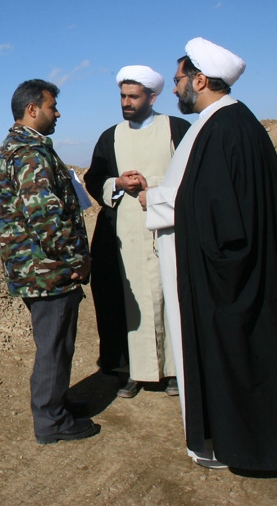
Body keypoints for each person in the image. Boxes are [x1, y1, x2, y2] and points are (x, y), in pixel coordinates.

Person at [145, 38, 277, 472]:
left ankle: (233, 442)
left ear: (201, 80)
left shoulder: (224, 127)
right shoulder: (225, 123)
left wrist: (150, 198)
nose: (174, 90)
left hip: (220, 278)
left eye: (178, 81)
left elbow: (212, 207)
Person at [0, 79, 100, 445]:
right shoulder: (31, 154)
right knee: (54, 344)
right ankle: (50, 420)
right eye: (52, 106)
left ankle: (57, 403)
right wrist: (77, 259)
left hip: (33, 268)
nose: (58, 113)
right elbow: (47, 219)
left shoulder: (10, 148)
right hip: (49, 270)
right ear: (32, 110)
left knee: (54, 343)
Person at [84, 66, 189, 398]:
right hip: (123, 235)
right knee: (126, 301)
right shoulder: (110, 137)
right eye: (122, 96)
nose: (126, 102)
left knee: (172, 296)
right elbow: (94, 179)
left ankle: (174, 369)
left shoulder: (177, 129)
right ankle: (131, 370)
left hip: (170, 231)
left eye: (133, 96)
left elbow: (193, 176)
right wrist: (117, 183)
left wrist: (154, 190)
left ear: (152, 97)